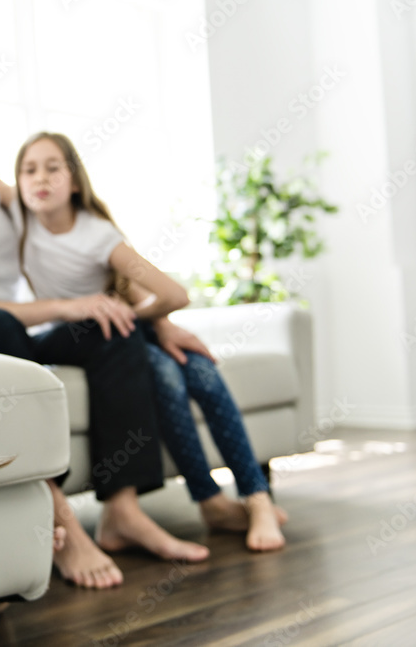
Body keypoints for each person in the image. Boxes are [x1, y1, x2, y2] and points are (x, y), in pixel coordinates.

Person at [0, 87, 211, 590]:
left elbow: (91, 241)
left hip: (25, 336)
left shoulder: (12, 202)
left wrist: (156, 317)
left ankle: (122, 510)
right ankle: (57, 515)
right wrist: (66, 306)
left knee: (113, 328)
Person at [15, 131, 287, 552]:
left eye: (53, 168)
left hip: (115, 330)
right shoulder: (18, 218)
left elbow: (174, 295)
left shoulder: (96, 234)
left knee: (202, 371)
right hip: (66, 335)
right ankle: (210, 500)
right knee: (164, 373)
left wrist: (135, 316)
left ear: (74, 181)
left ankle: (257, 497)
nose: (39, 179)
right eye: (28, 170)